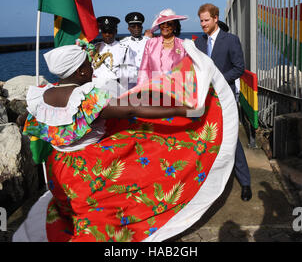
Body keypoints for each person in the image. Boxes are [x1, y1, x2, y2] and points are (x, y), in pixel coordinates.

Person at [13, 38, 239, 242]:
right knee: (130, 187)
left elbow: (25, 118)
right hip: (88, 169)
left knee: (73, 207)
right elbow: (131, 109)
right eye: (89, 64)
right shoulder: (85, 99)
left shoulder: (40, 96)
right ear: (81, 72)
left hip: (59, 168)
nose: (93, 67)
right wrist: (183, 110)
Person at [194, 3, 252, 201]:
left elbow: (239, 68)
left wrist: (218, 80)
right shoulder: (198, 43)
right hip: (206, 99)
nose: (203, 24)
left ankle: (245, 183)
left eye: (206, 20)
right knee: (206, 139)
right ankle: (206, 183)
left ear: (216, 18)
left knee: (232, 139)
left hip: (226, 98)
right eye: (201, 20)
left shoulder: (231, 40)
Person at [137, 8, 188, 85]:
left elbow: (187, 71)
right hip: (154, 91)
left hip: (176, 91)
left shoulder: (184, 45)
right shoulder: (150, 43)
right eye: (162, 23)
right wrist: (140, 90)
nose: (165, 26)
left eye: (169, 23)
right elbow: (144, 70)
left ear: (175, 26)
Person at [93, 16, 136, 92]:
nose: (107, 34)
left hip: (117, 88)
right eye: (104, 32)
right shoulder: (95, 48)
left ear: (115, 31)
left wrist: (117, 77)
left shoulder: (124, 49)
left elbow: (132, 71)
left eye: (110, 32)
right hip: (97, 88)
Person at [119, 12, 151, 88]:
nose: (136, 28)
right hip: (130, 82)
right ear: (129, 28)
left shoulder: (150, 42)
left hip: (147, 80)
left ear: (142, 27)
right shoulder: (122, 43)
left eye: (138, 26)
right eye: (133, 26)